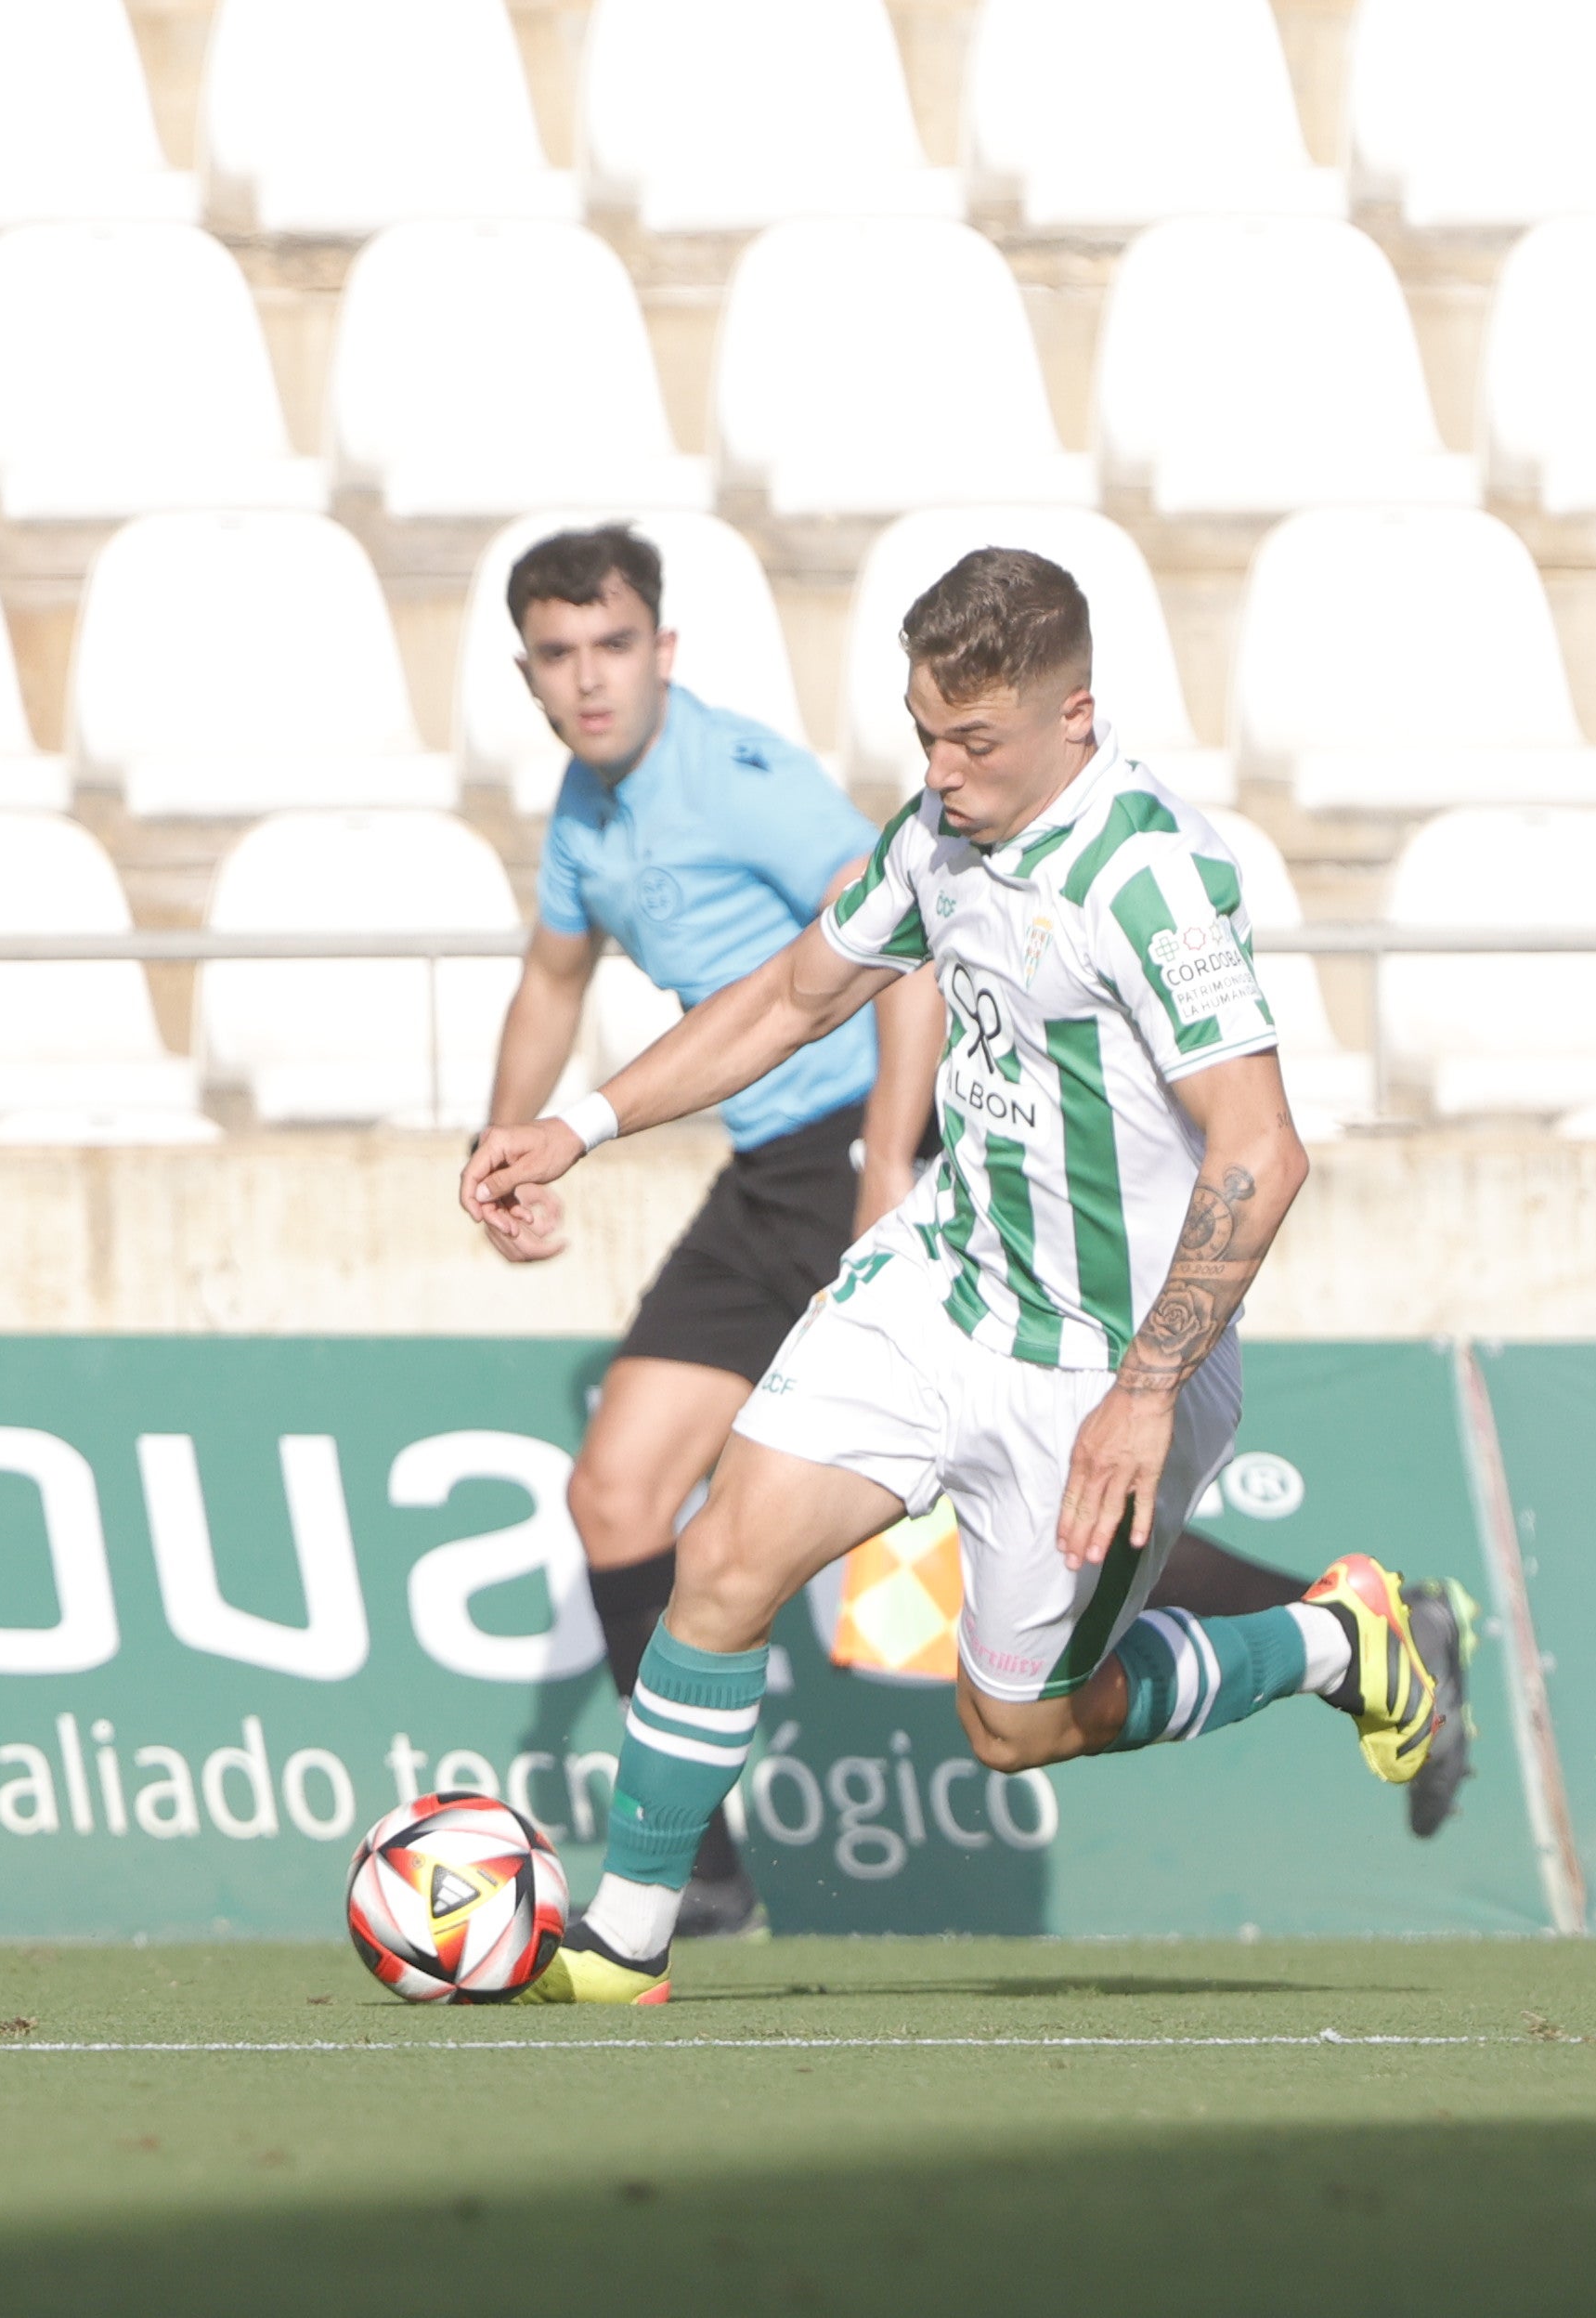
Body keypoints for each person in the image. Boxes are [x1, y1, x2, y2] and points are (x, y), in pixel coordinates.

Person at [463, 548, 1448, 2002]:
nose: (943, 768)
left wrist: (1145, 1393)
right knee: (721, 1562)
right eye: (926, 730)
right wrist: (580, 1124)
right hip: (940, 1280)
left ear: (1075, 717)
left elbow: (1262, 1151)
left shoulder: (1151, 872)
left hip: (1101, 1361)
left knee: (1023, 1728)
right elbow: (799, 995)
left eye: (975, 740)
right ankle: (629, 1937)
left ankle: (1336, 1641)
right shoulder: (936, 830)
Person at [483, 523, 941, 1938]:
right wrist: (506, 1147)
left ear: (663, 650)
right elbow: (553, 982)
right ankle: (702, 1864)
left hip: (872, 1149)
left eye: (613, 645)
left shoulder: (742, 778)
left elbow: (907, 941)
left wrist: (887, 1171)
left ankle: (1350, 1622)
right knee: (616, 1493)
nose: (590, 677)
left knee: (1025, 1499)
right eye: (559, 656)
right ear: (530, 675)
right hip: (766, 1172)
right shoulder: (583, 808)